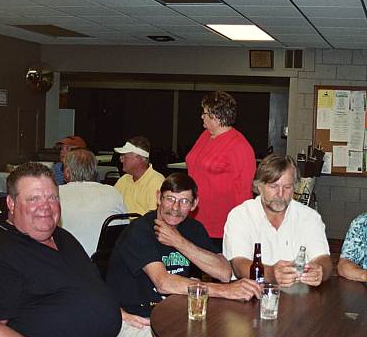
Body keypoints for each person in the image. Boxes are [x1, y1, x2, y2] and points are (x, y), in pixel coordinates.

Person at [0, 162, 189, 337]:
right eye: (34, 199)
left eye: (52, 198)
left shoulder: (62, 237)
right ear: (11, 203)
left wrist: (118, 313)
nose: (46, 207)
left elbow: (85, 287)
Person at [107, 172, 261, 317]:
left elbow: (224, 273)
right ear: (158, 198)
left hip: (175, 310)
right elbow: (163, 283)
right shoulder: (139, 230)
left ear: (194, 204)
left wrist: (179, 242)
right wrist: (224, 291)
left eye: (184, 201)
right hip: (137, 316)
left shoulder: (193, 228)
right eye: (170, 199)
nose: (175, 208)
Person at [223, 154, 332, 287]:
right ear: (259, 186)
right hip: (252, 295)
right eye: (273, 187)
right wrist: (271, 274)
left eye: (287, 187)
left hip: (299, 298)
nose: (280, 194)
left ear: (295, 187)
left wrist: (320, 271)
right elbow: (239, 265)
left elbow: (324, 259)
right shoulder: (240, 216)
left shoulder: (310, 217)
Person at [186, 91, 256, 249]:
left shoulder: (239, 145)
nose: (201, 117)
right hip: (195, 218)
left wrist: (243, 228)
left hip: (220, 226)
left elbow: (244, 191)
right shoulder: (205, 135)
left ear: (216, 116)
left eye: (204, 113)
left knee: (219, 272)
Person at [59, 148, 127, 257]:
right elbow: (124, 231)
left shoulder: (55, 194)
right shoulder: (113, 192)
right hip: (105, 262)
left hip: (68, 263)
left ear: (67, 172)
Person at [114, 136, 165, 215]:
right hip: (121, 225)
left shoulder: (157, 182)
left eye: (124, 156)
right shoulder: (123, 180)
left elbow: (153, 218)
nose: (121, 159)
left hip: (142, 226)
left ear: (139, 158)